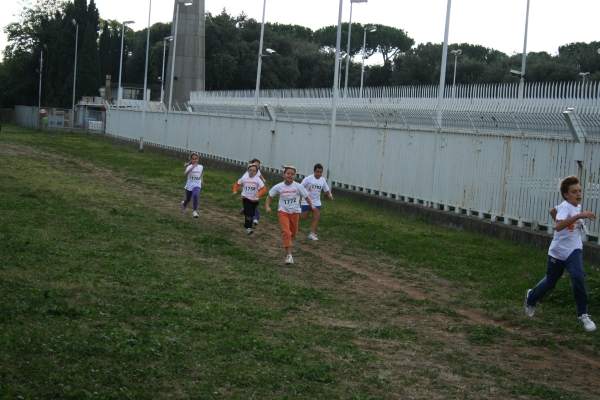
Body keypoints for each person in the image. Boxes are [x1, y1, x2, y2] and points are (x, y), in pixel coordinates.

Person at [525, 175, 597, 332]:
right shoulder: (567, 207)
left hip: (574, 249)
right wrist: (579, 216)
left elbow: (553, 211)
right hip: (558, 252)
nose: (578, 194)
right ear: (566, 195)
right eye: (574, 192)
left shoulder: (573, 205)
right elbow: (558, 227)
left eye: (579, 191)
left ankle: (583, 315)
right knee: (550, 283)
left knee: (578, 276)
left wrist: (574, 217)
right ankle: (531, 298)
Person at [265, 165, 317, 265]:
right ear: (283, 175)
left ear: (294, 176)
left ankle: (289, 238)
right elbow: (269, 197)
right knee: (286, 232)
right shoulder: (279, 186)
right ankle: (289, 256)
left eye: (292, 174)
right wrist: (267, 207)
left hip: (294, 212)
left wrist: (312, 206)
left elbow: (306, 197)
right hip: (283, 211)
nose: (290, 175)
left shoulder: (298, 186)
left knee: (293, 234)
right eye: (288, 173)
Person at [300, 163, 334, 241]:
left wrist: (330, 195)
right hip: (306, 201)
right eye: (317, 172)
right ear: (314, 171)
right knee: (303, 218)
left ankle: (312, 234)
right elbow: (300, 187)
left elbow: (326, 189)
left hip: (316, 201)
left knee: (316, 217)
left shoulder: (323, 180)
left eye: (320, 172)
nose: (319, 174)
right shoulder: (308, 179)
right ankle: (298, 210)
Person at [233, 163, 266, 235]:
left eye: (254, 171)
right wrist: (235, 191)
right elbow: (237, 184)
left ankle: (244, 210)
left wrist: (258, 194)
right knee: (249, 214)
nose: (252, 172)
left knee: (252, 212)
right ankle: (248, 228)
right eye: (250, 170)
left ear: (256, 172)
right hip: (246, 197)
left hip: (254, 199)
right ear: (247, 171)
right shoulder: (244, 178)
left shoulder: (257, 179)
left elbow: (263, 189)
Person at [239, 158, 267, 226]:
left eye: (258, 164)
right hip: (247, 195)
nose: (257, 165)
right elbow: (242, 181)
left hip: (255, 193)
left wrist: (263, 180)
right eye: (255, 164)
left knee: (255, 206)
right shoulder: (247, 174)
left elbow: (260, 176)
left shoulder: (257, 171)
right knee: (251, 207)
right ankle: (253, 219)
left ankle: (254, 217)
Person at [181, 153, 204, 218]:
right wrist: (192, 167)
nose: (194, 160)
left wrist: (202, 179)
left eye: (196, 159)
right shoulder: (189, 166)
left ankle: (194, 212)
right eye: (193, 159)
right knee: (188, 199)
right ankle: (184, 204)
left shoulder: (200, 166)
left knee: (195, 195)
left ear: (198, 159)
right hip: (190, 185)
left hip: (197, 184)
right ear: (191, 160)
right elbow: (185, 175)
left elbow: (201, 173)